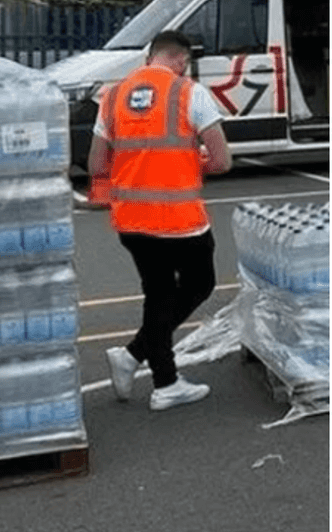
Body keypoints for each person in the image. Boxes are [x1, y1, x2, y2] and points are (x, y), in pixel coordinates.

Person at [88, 30, 233, 411]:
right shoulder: (190, 92)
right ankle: (147, 364)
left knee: (158, 293)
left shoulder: (113, 95)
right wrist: (192, 160)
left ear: (149, 56)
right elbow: (221, 160)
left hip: (131, 220)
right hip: (179, 220)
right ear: (181, 59)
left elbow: (96, 164)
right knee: (199, 284)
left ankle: (149, 367)